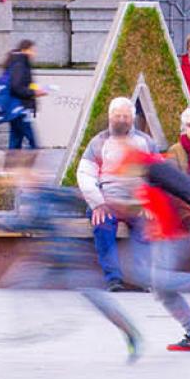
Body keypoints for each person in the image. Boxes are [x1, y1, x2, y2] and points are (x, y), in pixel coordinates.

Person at [0, 151, 142, 362]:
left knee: (94, 296)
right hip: (48, 257)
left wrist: (0, 222)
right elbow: (68, 200)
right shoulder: (34, 192)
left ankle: (130, 332)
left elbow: (33, 219)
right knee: (18, 281)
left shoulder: (39, 192)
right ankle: (44, 321)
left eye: (17, 174)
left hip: (66, 256)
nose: (15, 179)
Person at [104, 136, 190, 352]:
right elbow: (138, 200)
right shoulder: (135, 167)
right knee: (161, 289)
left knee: (154, 280)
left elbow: (187, 187)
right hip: (161, 233)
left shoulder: (153, 166)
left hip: (178, 232)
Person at [76, 97, 155, 292]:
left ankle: (141, 278)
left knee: (146, 227)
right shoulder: (98, 142)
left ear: (133, 118)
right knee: (103, 226)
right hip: (107, 200)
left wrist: (150, 203)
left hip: (137, 201)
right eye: (117, 115)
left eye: (125, 116)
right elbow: (85, 174)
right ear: (110, 117)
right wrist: (98, 204)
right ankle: (114, 279)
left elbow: (156, 174)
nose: (121, 119)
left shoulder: (145, 142)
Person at [3, 40, 45, 150]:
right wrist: (34, 92)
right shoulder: (20, 65)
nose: (34, 53)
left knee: (16, 141)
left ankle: (11, 164)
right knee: (32, 142)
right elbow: (16, 87)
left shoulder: (18, 63)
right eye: (32, 50)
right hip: (20, 108)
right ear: (24, 50)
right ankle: (31, 163)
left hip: (17, 109)